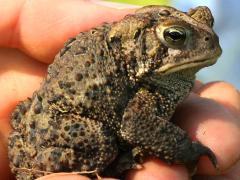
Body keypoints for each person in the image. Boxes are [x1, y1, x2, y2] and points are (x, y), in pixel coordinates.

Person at [0, 1, 240, 180]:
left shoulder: (153, 75)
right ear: (147, 46)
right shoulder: (146, 85)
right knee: (103, 145)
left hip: (49, 109)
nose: (209, 38)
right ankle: (114, 165)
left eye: (206, 22)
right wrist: (184, 148)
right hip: (65, 123)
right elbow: (135, 124)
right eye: (176, 37)